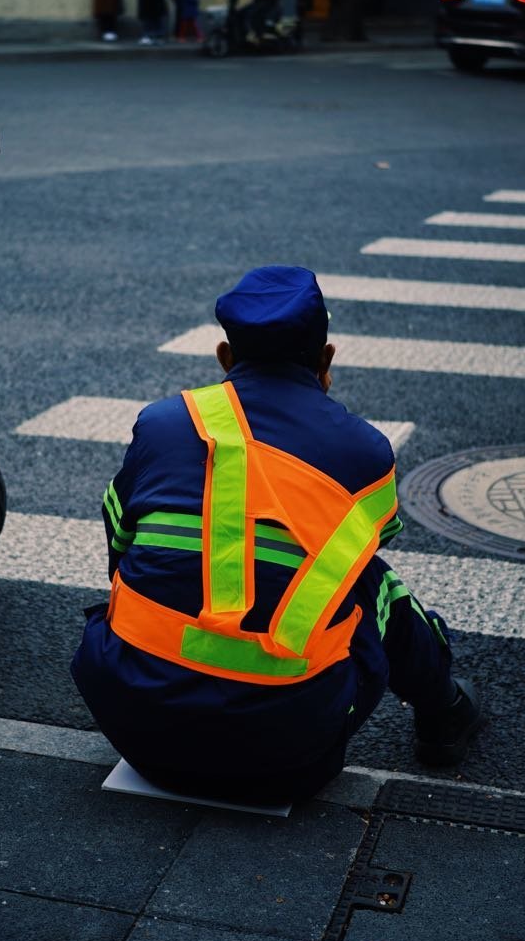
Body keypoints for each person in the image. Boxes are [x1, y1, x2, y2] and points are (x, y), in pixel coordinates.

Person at [72, 266, 482, 805]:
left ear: (224, 356)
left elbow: (119, 544)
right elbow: (360, 557)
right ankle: (443, 714)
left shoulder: (164, 422)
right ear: (326, 361)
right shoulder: (365, 452)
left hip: (134, 725)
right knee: (373, 584)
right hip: (286, 754)